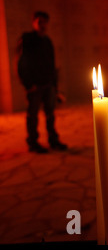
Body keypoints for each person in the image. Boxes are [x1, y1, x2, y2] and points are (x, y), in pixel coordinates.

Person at [17, 11, 67, 153]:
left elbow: (51, 64)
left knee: (50, 114)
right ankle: (33, 142)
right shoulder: (27, 40)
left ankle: (53, 140)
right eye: (40, 22)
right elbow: (21, 64)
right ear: (34, 23)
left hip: (48, 84)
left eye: (45, 22)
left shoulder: (47, 41)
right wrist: (28, 84)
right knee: (32, 115)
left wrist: (54, 85)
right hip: (34, 86)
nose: (43, 25)